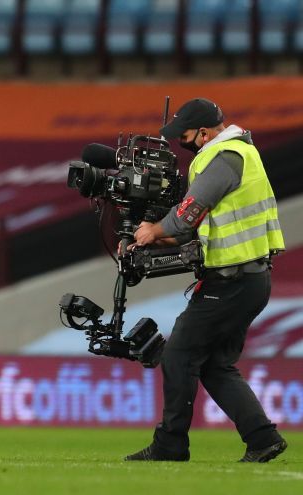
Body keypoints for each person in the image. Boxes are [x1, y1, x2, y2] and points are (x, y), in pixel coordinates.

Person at [126, 98, 286, 462]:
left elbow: (186, 216)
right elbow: (195, 227)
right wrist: (160, 234)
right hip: (247, 279)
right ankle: (262, 437)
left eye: (185, 135)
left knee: (180, 354)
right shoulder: (240, 153)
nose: (183, 142)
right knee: (215, 364)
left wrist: (153, 230)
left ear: (204, 131)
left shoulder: (225, 157)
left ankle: (170, 444)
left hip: (233, 281)